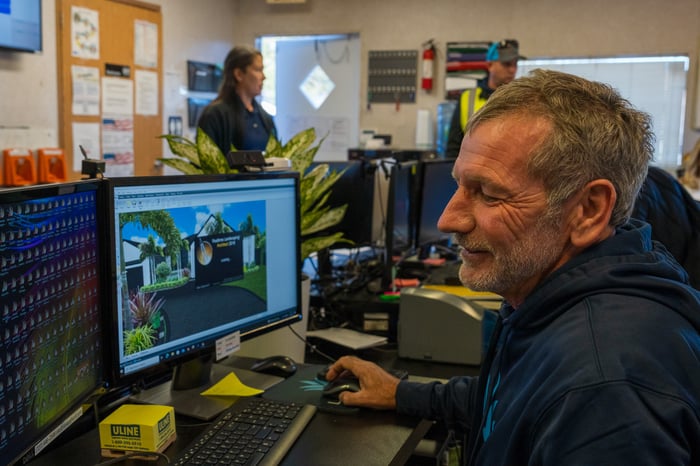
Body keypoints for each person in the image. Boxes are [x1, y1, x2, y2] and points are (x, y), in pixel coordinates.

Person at [326, 69, 700, 464]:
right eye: (459, 185)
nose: (448, 219)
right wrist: (402, 393)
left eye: (488, 193)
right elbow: (514, 401)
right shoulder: (554, 295)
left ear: (587, 211)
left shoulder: (604, 389)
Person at [445, 39, 524, 158]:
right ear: (490, 65)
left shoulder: (521, 99)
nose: (513, 70)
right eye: (506, 64)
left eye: (515, 64)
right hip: (472, 171)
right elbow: (453, 148)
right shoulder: (467, 98)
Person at [197, 45, 276, 154]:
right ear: (239, 74)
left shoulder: (265, 117)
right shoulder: (215, 115)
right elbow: (205, 161)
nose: (263, 77)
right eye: (258, 70)